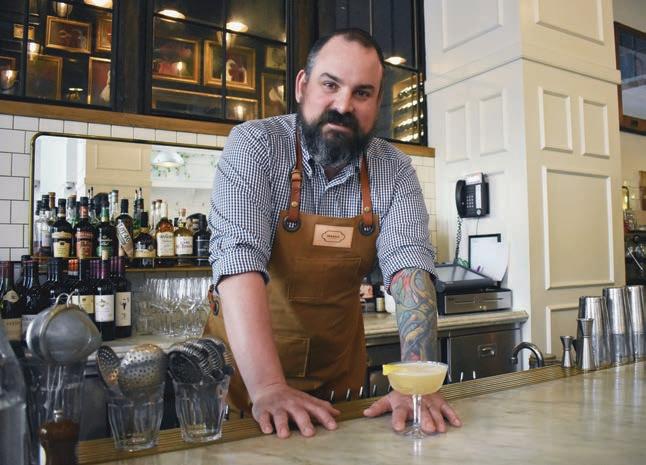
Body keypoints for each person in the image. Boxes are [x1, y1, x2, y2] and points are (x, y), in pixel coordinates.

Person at [206, 28, 461, 438]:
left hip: (341, 388)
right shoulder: (256, 145)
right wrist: (268, 387)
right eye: (330, 85)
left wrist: (416, 384)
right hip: (244, 389)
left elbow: (410, 269)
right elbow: (238, 260)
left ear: (377, 102)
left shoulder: (394, 169)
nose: (343, 105)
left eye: (362, 93)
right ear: (302, 86)